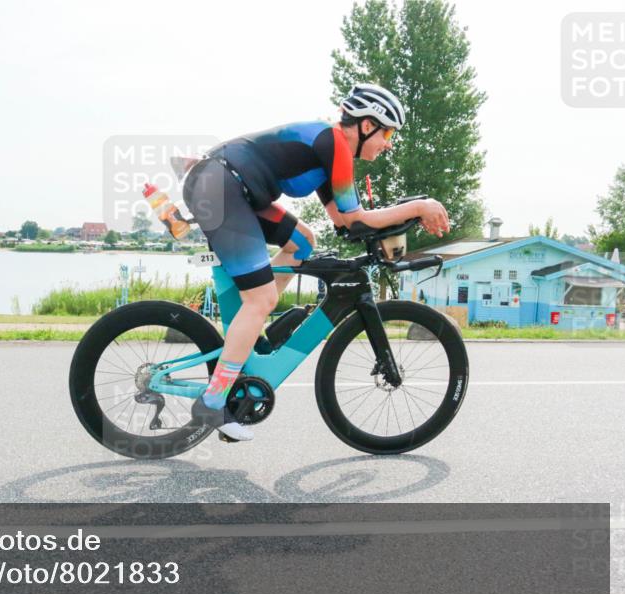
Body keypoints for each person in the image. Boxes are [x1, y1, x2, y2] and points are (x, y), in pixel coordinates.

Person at [183, 83, 451, 441]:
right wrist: (420, 207)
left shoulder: (331, 153)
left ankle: (253, 327)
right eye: (387, 133)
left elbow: (344, 221)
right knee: (259, 298)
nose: (389, 143)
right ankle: (213, 402)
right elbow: (357, 218)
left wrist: (407, 218)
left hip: (232, 188)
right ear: (367, 124)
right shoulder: (335, 142)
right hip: (221, 187)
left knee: (303, 241)